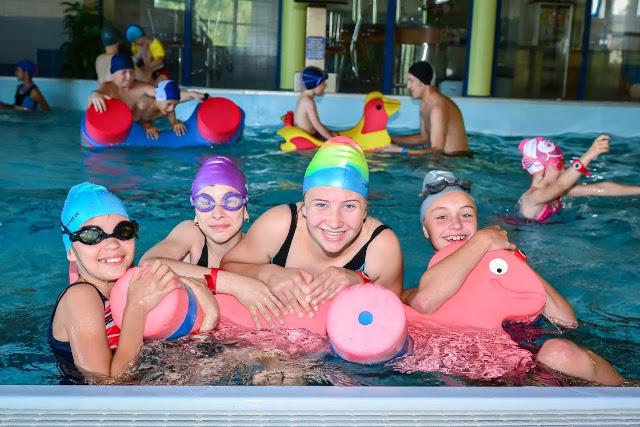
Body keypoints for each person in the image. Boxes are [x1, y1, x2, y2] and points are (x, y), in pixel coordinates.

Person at [403, 170, 623, 385]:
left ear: (477, 224)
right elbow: (425, 302)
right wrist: (482, 241)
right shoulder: (411, 295)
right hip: (485, 380)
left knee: (560, 352)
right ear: (425, 229)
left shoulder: (506, 273)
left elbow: (566, 321)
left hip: (538, 370)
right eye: (442, 217)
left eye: (466, 215)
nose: (457, 224)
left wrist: (513, 262)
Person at [49, 182, 219, 380]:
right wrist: (137, 308)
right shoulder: (80, 297)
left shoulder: (136, 283)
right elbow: (105, 386)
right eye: (92, 235)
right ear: (71, 251)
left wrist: (207, 320)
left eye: (123, 231)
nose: (112, 244)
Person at [221, 136, 404, 318]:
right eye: (321, 204)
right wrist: (267, 273)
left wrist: (360, 281)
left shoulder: (381, 247)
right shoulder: (279, 225)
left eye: (349, 206)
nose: (334, 222)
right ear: (304, 208)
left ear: (365, 211)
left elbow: (394, 314)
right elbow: (228, 266)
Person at [141, 156, 285, 328]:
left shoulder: (260, 250)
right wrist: (233, 283)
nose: (217, 214)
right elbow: (148, 264)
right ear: (195, 211)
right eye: (205, 202)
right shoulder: (192, 235)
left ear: (245, 208)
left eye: (230, 201)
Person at [518, 135, 640, 222]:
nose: (564, 170)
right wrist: (588, 155)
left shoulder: (561, 192)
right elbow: (561, 185)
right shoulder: (532, 197)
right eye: (559, 165)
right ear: (540, 169)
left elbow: (601, 188)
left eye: (563, 163)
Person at [383, 61, 468, 155]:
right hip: (445, 157)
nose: (408, 86)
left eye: (411, 81)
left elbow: (437, 150)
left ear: (423, 81)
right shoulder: (424, 104)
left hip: (455, 159)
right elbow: (424, 138)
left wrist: (401, 150)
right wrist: (391, 139)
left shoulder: (437, 108)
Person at [132, 79, 206, 139]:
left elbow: (173, 120)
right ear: (159, 98)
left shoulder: (166, 107)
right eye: (169, 104)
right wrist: (147, 127)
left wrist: (175, 123)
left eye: (175, 105)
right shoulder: (142, 105)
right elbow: (136, 123)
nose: (172, 108)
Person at [89, 53, 155, 112]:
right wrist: (95, 95)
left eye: (131, 72)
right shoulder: (107, 87)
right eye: (124, 72)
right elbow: (98, 92)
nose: (129, 76)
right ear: (113, 73)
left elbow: (157, 92)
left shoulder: (141, 86)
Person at [292, 66, 337, 140]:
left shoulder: (303, 97)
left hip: (309, 134)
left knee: (334, 133)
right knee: (334, 136)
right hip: (308, 138)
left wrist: (329, 132)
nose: (325, 86)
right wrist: (332, 140)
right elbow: (317, 125)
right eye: (323, 83)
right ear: (316, 84)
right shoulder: (308, 102)